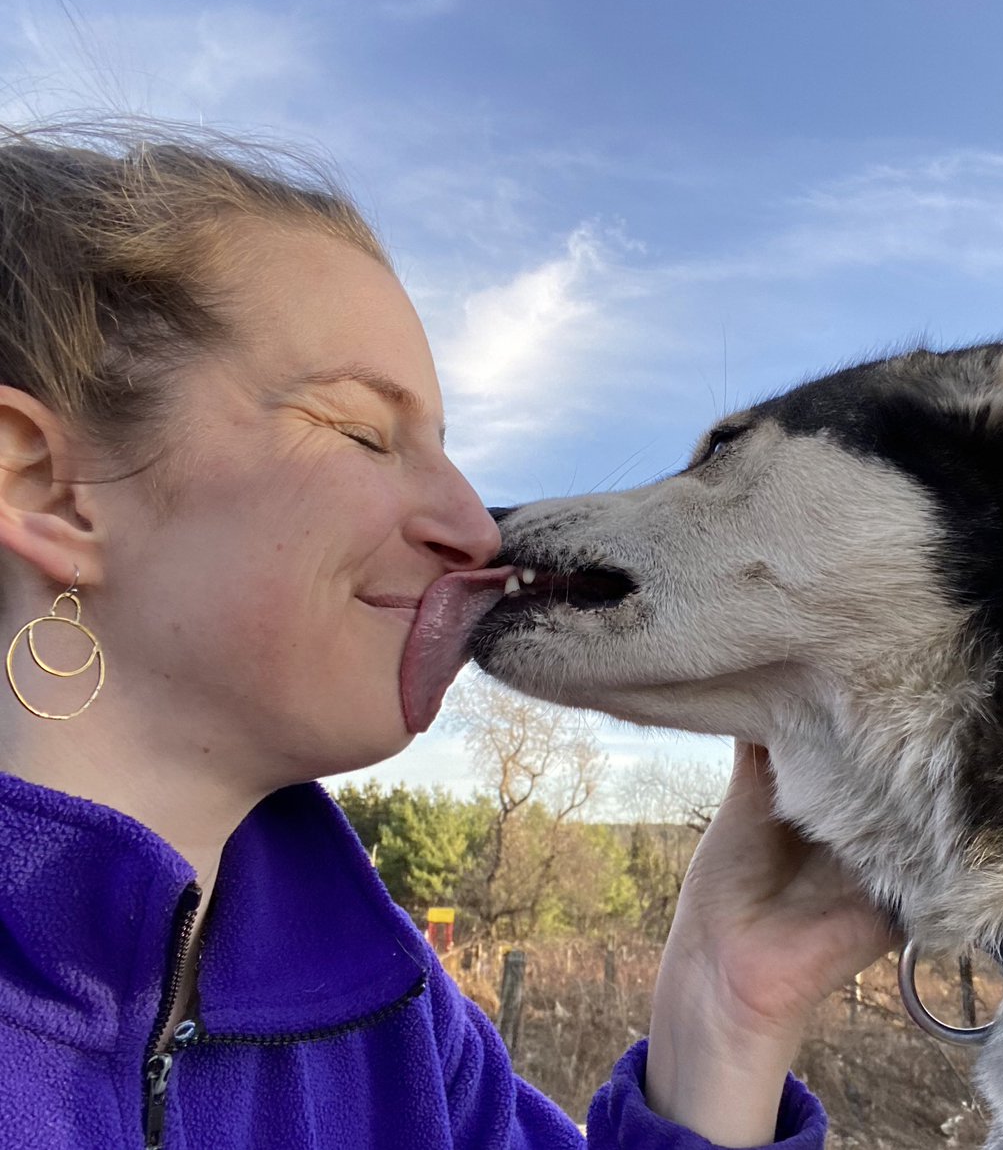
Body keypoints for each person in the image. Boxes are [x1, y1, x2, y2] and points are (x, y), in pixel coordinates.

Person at [0, 121, 894, 1149]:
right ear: (48, 486)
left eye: (443, 447)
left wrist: (725, 1007)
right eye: (362, 432)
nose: (477, 526)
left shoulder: (398, 1021)